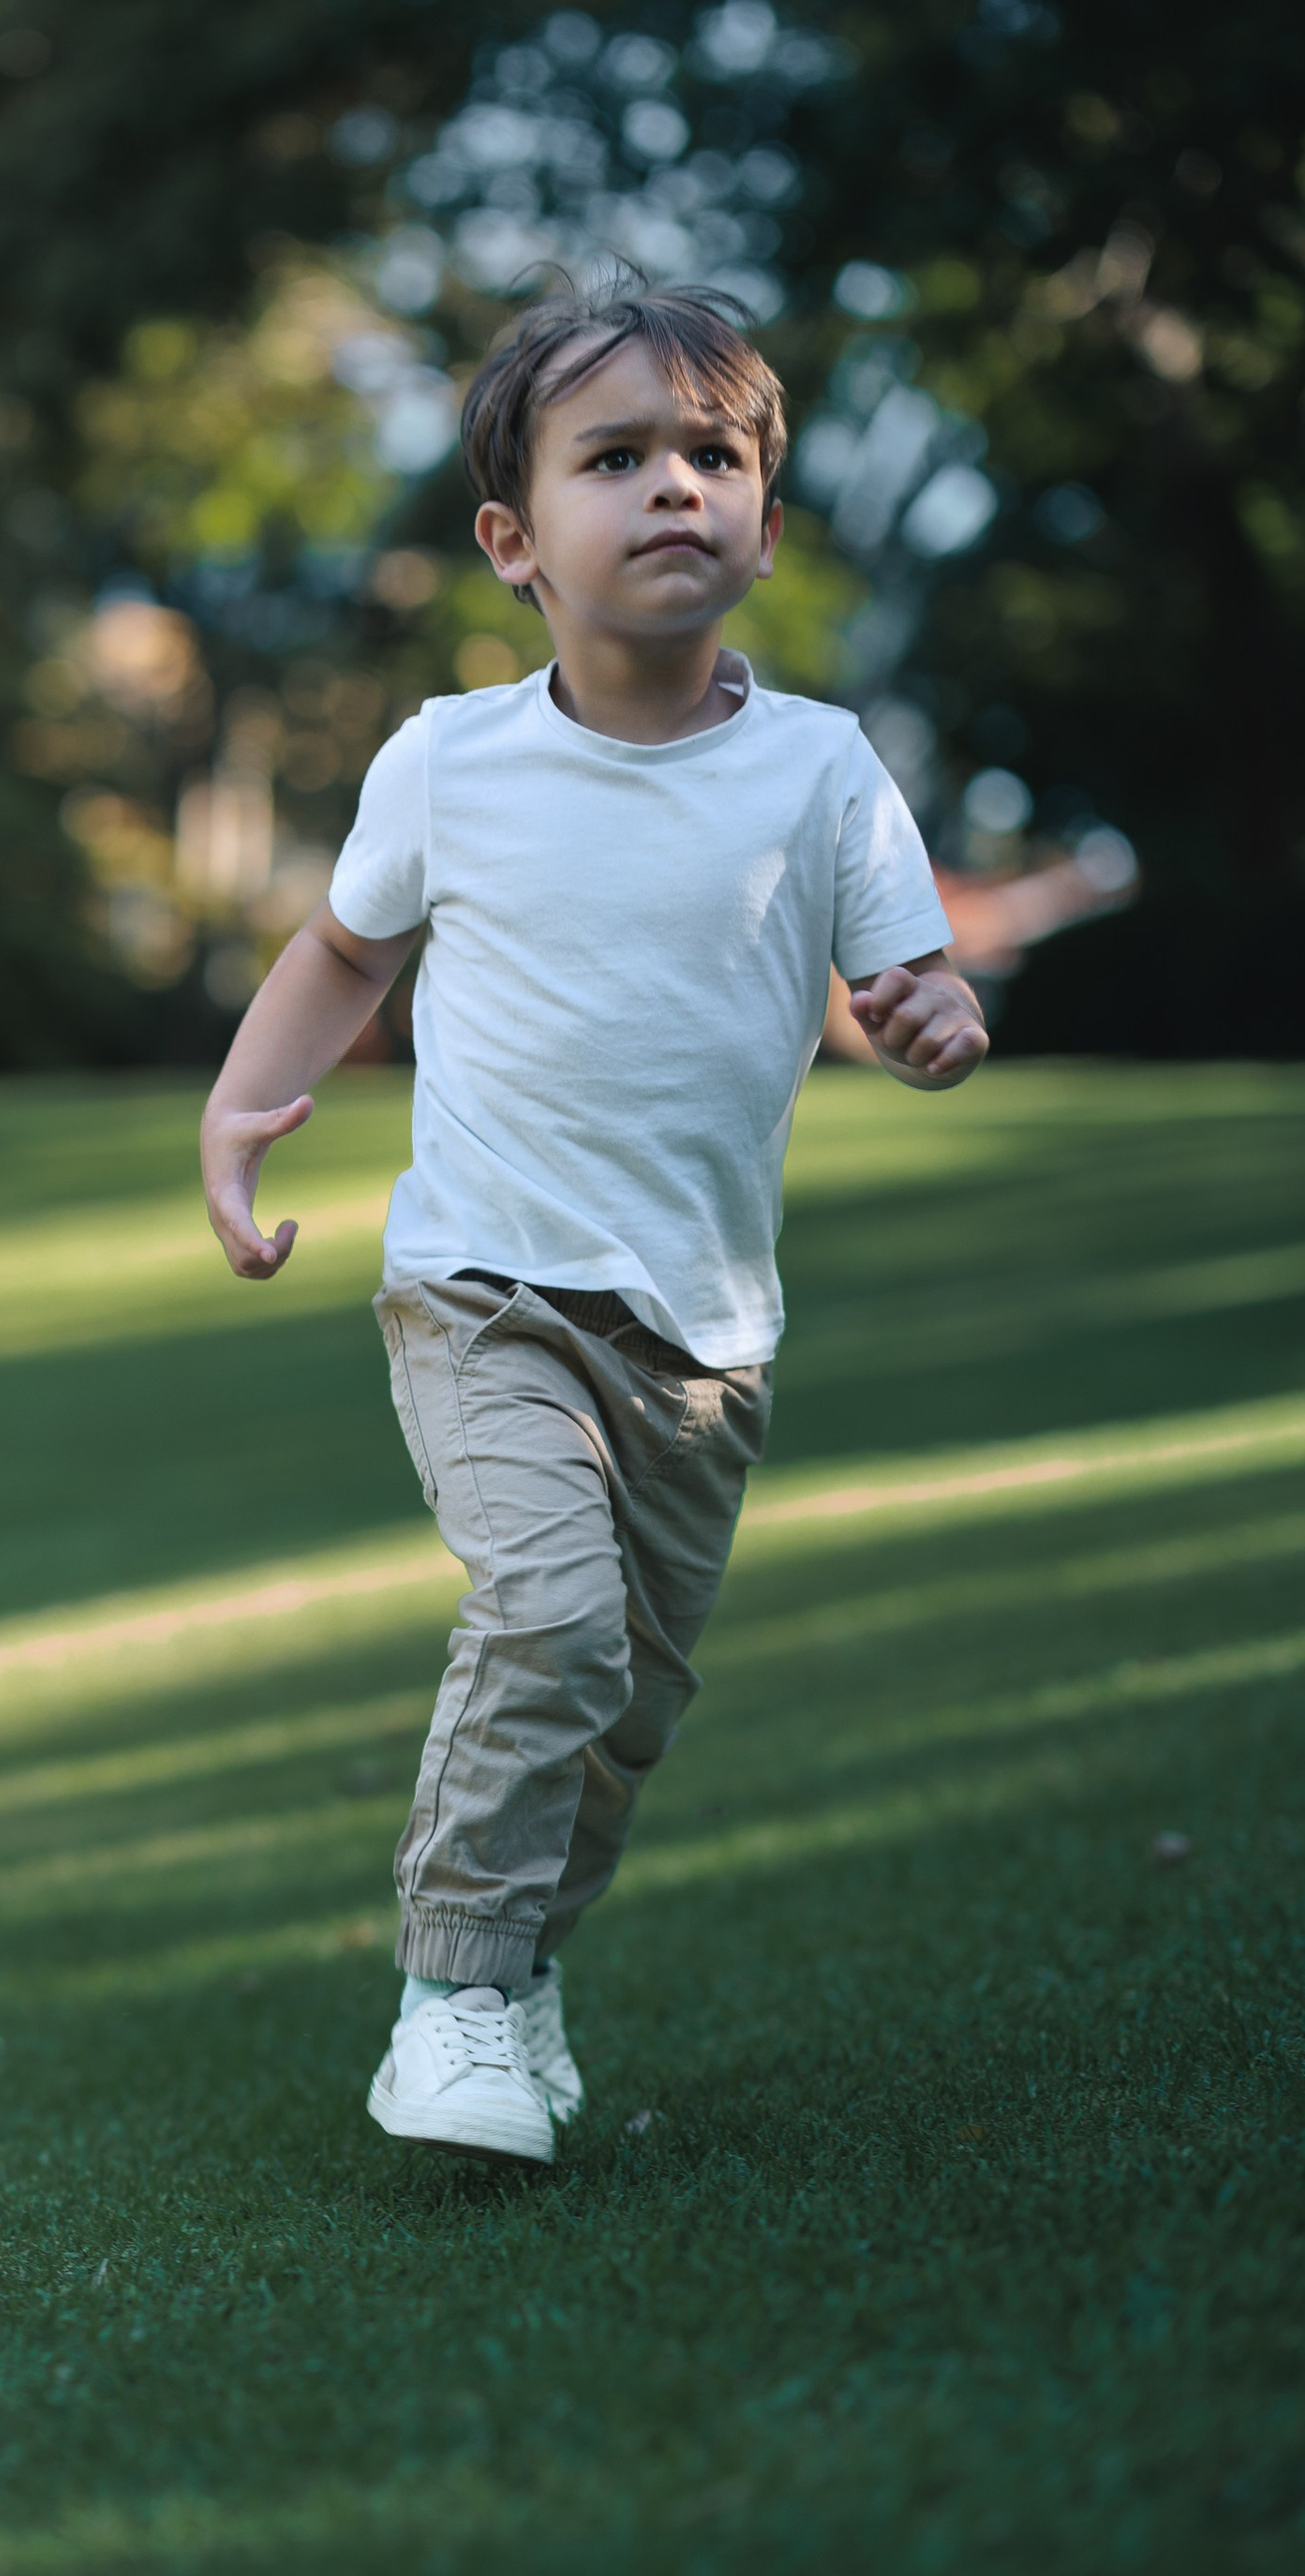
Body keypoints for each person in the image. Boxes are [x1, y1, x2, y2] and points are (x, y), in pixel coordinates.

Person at [199, 274, 987, 2161]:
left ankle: (520, 1970)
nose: (670, 492)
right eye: (614, 457)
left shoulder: (822, 772)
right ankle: (454, 1999)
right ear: (513, 541)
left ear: (766, 526)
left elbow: (911, 986)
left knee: (620, 1712)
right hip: (484, 1290)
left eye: (710, 457)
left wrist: (937, 1018)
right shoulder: (449, 762)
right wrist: (241, 1112)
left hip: (706, 1340)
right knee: (549, 1613)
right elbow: (340, 950)